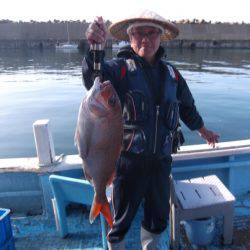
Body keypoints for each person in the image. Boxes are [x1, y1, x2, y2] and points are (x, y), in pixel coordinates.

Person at [83, 10, 219, 250]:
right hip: (127, 164)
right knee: (121, 219)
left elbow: (187, 107)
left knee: (158, 218)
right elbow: (94, 79)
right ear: (130, 37)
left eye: (151, 33)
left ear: (161, 37)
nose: (145, 39)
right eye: (138, 33)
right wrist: (95, 49)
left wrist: (202, 129)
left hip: (161, 163)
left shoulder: (172, 74)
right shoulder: (120, 69)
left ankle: (150, 246)